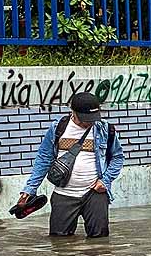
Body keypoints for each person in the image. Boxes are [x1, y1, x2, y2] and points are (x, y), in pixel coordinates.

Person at [17, 92, 124, 238]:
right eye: (86, 119)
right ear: (73, 112)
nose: (90, 123)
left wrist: (105, 181)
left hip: (95, 193)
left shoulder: (105, 129)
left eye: (93, 118)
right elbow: (43, 159)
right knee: (59, 243)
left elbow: (118, 157)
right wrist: (29, 189)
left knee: (100, 243)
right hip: (64, 194)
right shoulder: (58, 128)